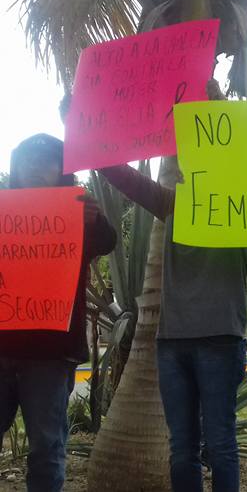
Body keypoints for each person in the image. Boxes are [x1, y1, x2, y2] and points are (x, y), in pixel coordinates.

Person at [99, 80, 247, 492]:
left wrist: (216, 101)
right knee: (182, 446)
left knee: (219, 443)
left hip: (220, 338)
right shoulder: (173, 202)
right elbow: (118, 173)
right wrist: (83, 128)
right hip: (174, 342)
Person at [0, 133, 117, 491]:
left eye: (48, 160)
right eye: (28, 160)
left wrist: (92, 220)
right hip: (1, 350)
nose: (37, 167)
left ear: (61, 170)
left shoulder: (77, 211)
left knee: (47, 447)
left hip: (52, 355)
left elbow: (107, 243)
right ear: (15, 166)